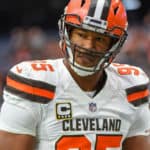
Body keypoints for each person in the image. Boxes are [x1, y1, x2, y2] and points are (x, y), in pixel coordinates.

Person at [0, 0, 149, 150]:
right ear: (67, 33)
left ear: (114, 44)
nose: (88, 46)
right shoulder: (33, 82)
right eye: (82, 34)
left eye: (100, 39)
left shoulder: (131, 85)